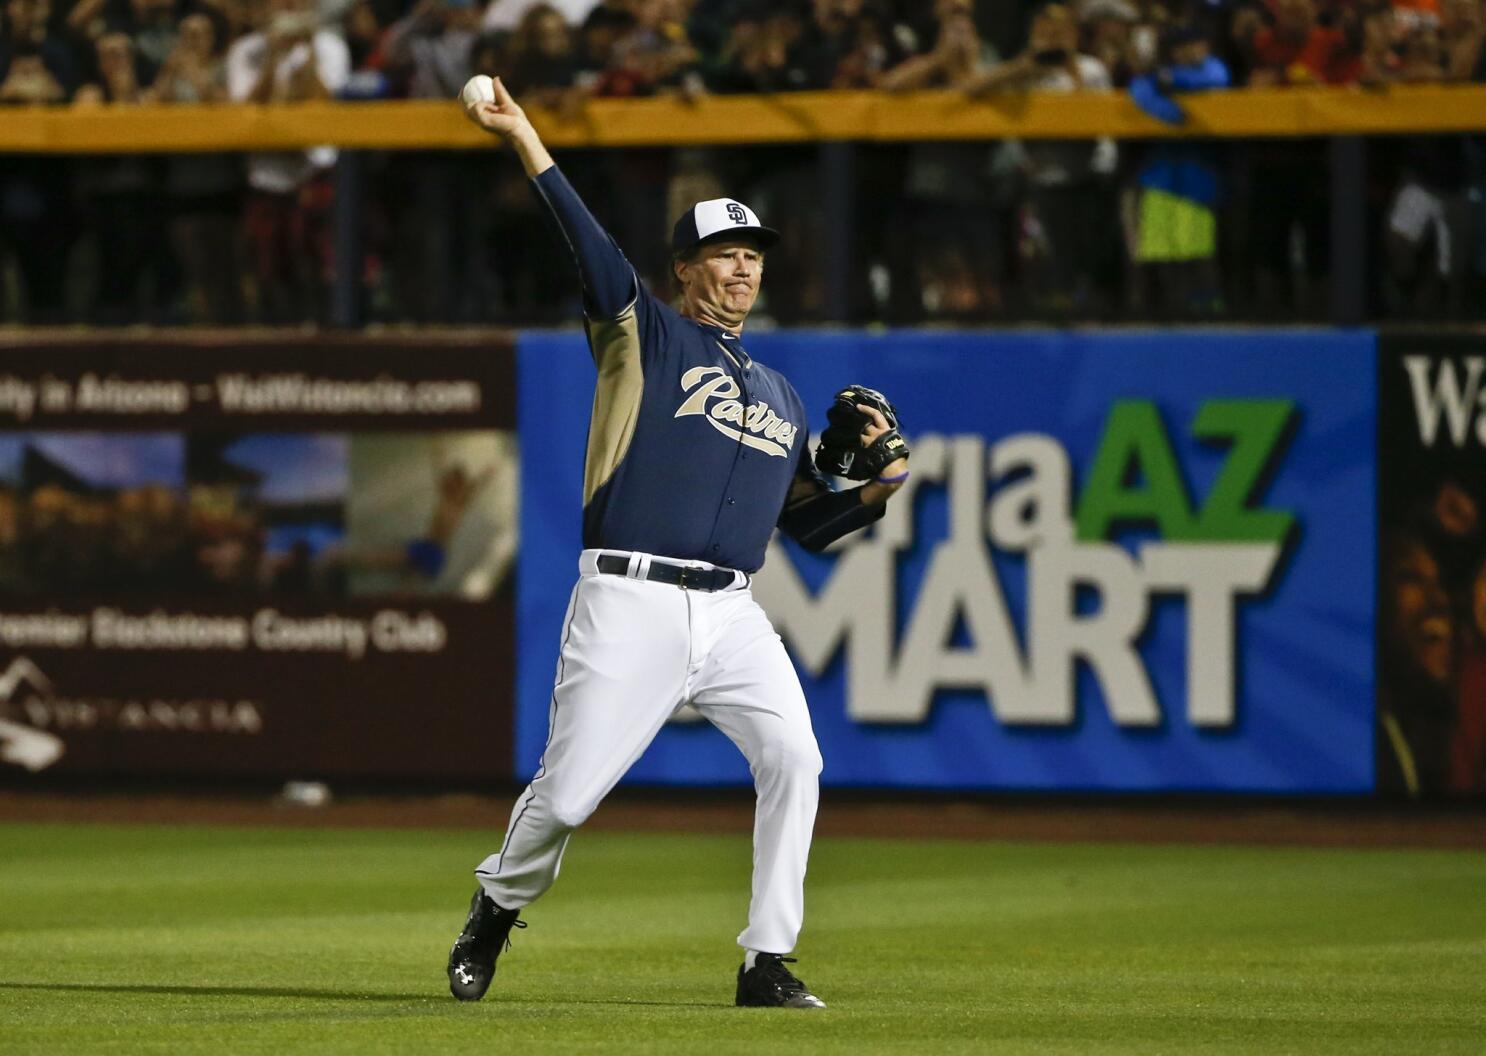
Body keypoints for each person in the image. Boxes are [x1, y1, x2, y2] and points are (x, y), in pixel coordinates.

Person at [449, 75, 911, 1009]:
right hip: (629, 597)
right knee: (570, 796)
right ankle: (498, 903)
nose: (743, 269)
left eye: (752, 255)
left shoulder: (778, 393)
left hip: (733, 610)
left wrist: (877, 485)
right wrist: (524, 134)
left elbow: (803, 522)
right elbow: (587, 242)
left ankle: (765, 963)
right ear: (685, 269)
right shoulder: (643, 333)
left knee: (796, 760)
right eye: (723, 254)